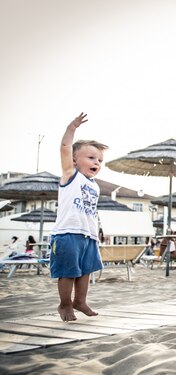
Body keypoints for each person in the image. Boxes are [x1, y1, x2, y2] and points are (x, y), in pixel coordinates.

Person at [49, 113, 108, 322]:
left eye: (100, 160)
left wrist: (96, 233)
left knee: (86, 270)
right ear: (74, 160)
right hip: (67, 233)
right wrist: (71, 128)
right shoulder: (70, 175)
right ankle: (65, 304)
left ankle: (80, 301)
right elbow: (65, 147)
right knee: (68, 271)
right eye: (91, 158)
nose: (97, 162)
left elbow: (91, 211)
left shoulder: (95, 185)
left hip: (88, 235)